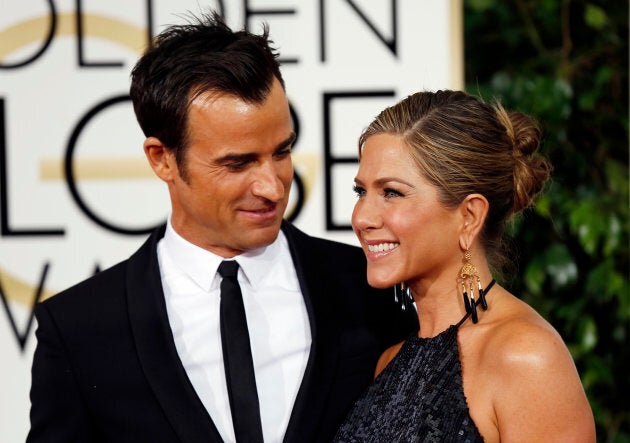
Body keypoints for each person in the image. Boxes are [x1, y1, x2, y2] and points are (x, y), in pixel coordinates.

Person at [26, 11, 417, 443]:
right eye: (238, 163)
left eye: (282, 151)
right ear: (162, 159)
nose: (273, 187)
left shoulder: (369, 286)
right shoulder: (80, 328)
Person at [333, 90, 596, 442]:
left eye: (391, 192)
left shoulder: (525, 357)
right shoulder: (388, 362)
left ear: (469, 216)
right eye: (360, 192)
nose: (362, 217)